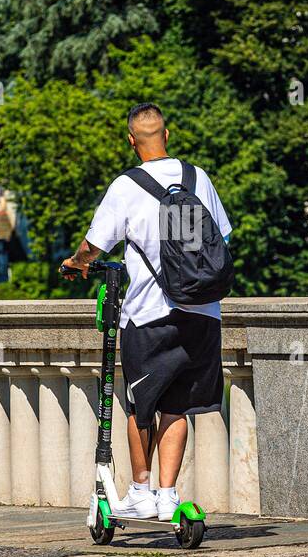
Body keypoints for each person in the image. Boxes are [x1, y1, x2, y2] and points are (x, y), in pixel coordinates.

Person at [62, 102, 232, 521]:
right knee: (178, 407)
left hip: (149, 315)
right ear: (168, 136)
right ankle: (168, 495)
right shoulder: (197, 178)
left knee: (142, 405)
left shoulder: (126, 186)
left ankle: (140, 490)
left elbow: (94, 246)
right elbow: (222, 236)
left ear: (131, 140)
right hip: (203, 311)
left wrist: (76, 264)